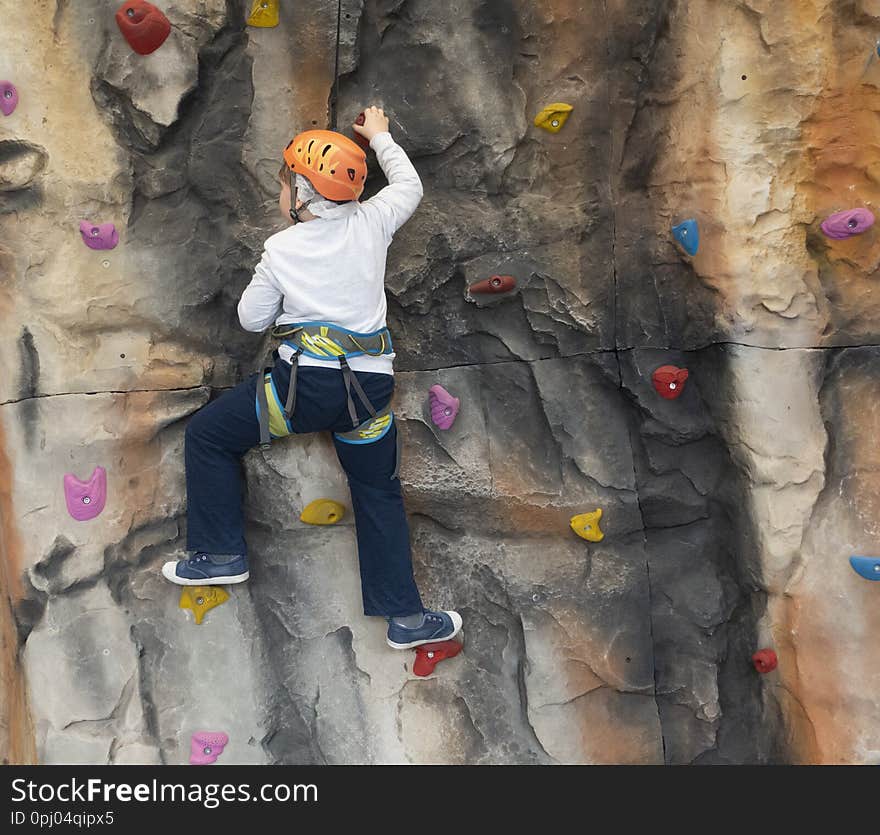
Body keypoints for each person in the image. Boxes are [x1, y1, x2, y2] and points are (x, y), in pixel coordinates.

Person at [161, 106, 462, 650]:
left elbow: (250, 320)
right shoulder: (373, 222)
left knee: (208, 436)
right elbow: (409, 186)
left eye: (283, 184)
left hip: (300, 394)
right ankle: (407, 619)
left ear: (300, 192)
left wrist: (286, 299)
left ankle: (222, 554)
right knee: (378, 492)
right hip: (367, 395)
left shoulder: (281, 249)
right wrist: (380, 137)